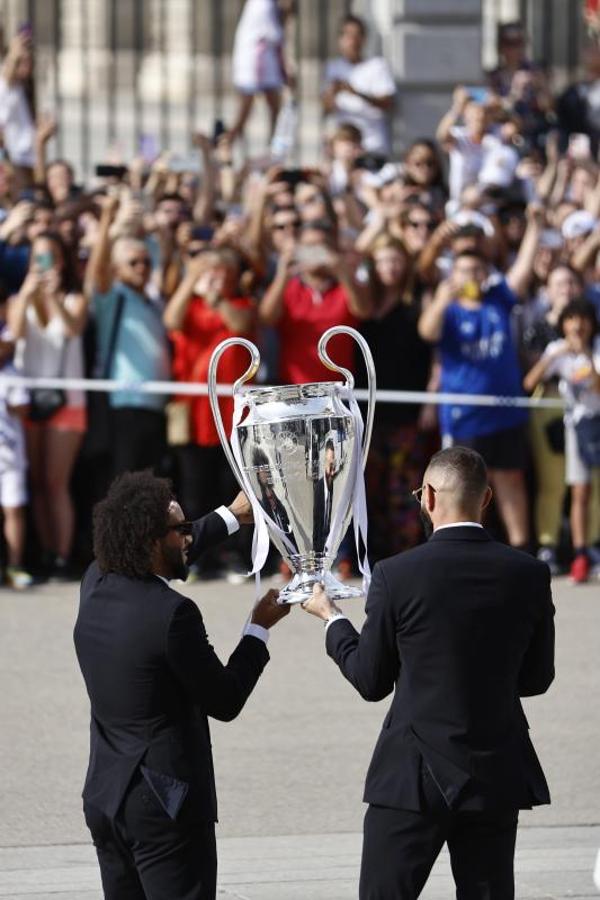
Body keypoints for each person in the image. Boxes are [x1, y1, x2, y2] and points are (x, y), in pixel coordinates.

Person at [302, 445, 555, 900]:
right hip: (494, 767)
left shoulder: (397, 574)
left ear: (430, 498)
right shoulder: (529, 574)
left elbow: (370, 679)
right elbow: (537, 679)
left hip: (412, 773)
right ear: (487, 499)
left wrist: (333, 619)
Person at [73, 470, 289, 900]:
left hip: (106, 796)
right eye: (181, 530)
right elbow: (225, 699)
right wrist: (257, 630)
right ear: (152, 541)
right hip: (164, 804)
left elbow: (176, 546)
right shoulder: (173, 614)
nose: (189, 537)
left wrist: (232, 515)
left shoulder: (95, 580)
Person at [8, 230, 88, 577]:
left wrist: (53, 296)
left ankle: (62, 554)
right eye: (37, 257)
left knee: (57, 482)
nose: (44, 264)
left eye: (50, 256)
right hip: (27, 398)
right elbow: (15, 335)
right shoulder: (18, 298)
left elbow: (71, 330)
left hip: (66, 398)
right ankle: (44, 553)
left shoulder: (74, 297)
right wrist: (27, 295)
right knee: (37, 481)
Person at [524, 298, 600, 583]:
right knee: (578, 490)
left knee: (594, 491)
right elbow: (529, 383)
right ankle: (580, 552)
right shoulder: (557, 350)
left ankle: (592, 546)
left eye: (582, 320)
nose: (577, 326)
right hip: (575, 427)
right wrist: (555, 357)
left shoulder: (596, 348)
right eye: (571, 320)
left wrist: (587, 357)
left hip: (597, 423)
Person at [322, 15, 396, 157]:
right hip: (344, 149)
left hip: (373, 146)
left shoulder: (377, 66)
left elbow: (387, 102)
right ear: (340, 39)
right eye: (348, 36)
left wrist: (355, 92)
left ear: (364, 39)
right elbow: (326, 107)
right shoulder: (333, 67)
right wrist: (333, 92)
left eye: (356, 36)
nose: (352, 41)